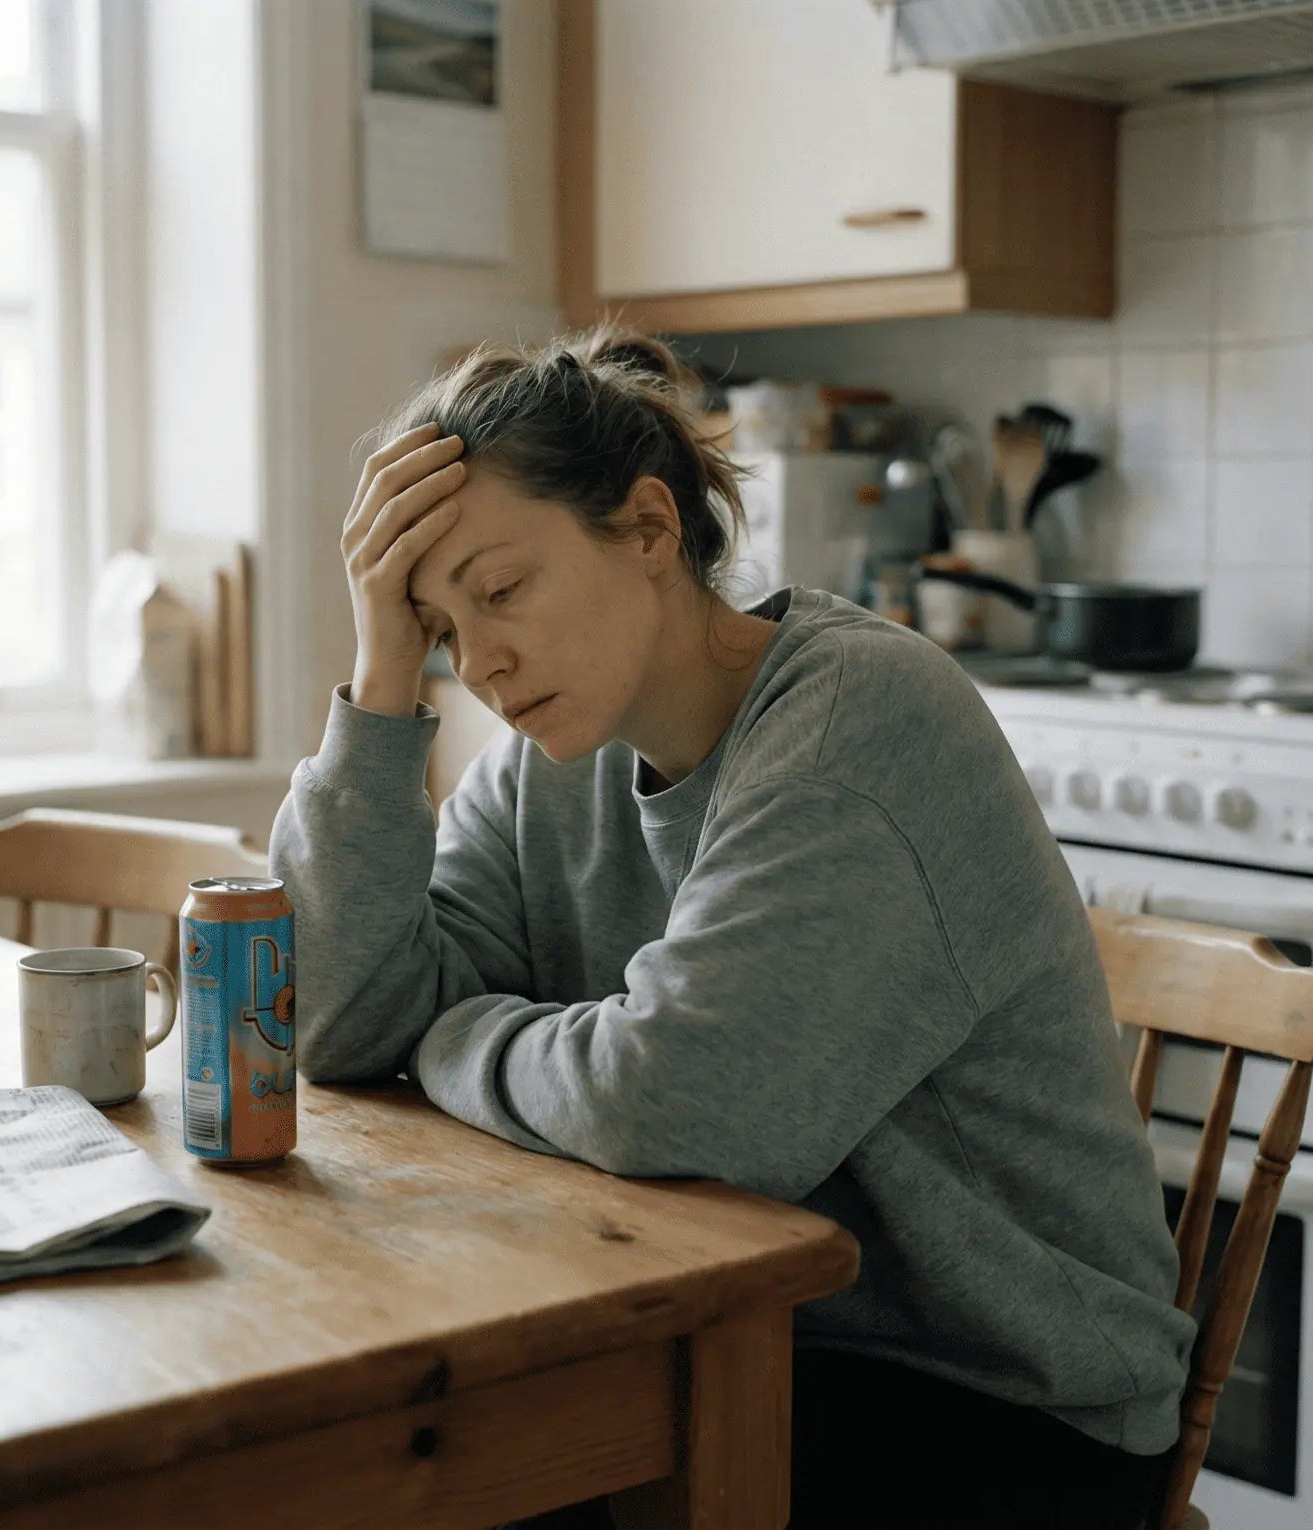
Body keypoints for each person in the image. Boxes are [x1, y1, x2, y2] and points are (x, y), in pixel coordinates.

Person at [269, 325, 1194, 1528]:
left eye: (500, 591)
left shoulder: (853, 725)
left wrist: (448, 1035)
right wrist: (378, 676)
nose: (481, 662)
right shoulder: (551, 756)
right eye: (440, 629)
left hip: (997, 1396)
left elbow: (667, 1105)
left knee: (456, 1482)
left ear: (650, 530)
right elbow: (333, 1022)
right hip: (737, 1332)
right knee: (389, 1465)